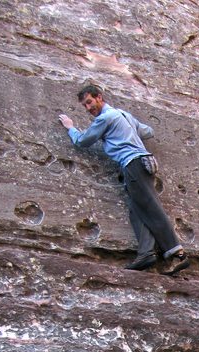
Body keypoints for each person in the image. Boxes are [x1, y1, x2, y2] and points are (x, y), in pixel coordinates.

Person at [58, 85, 189, 274]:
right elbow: (148, 131)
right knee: (138, 209)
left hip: (132, 164)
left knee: (151, 208)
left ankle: (177, 254)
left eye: (89, 102)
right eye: (84, 106)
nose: (88, 108)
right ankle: (146, 254)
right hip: (143, 162)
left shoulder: (105, 118)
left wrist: (71, 128)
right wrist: (129, 132)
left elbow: (82, 141)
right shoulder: (123, 115)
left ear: (99, 97)